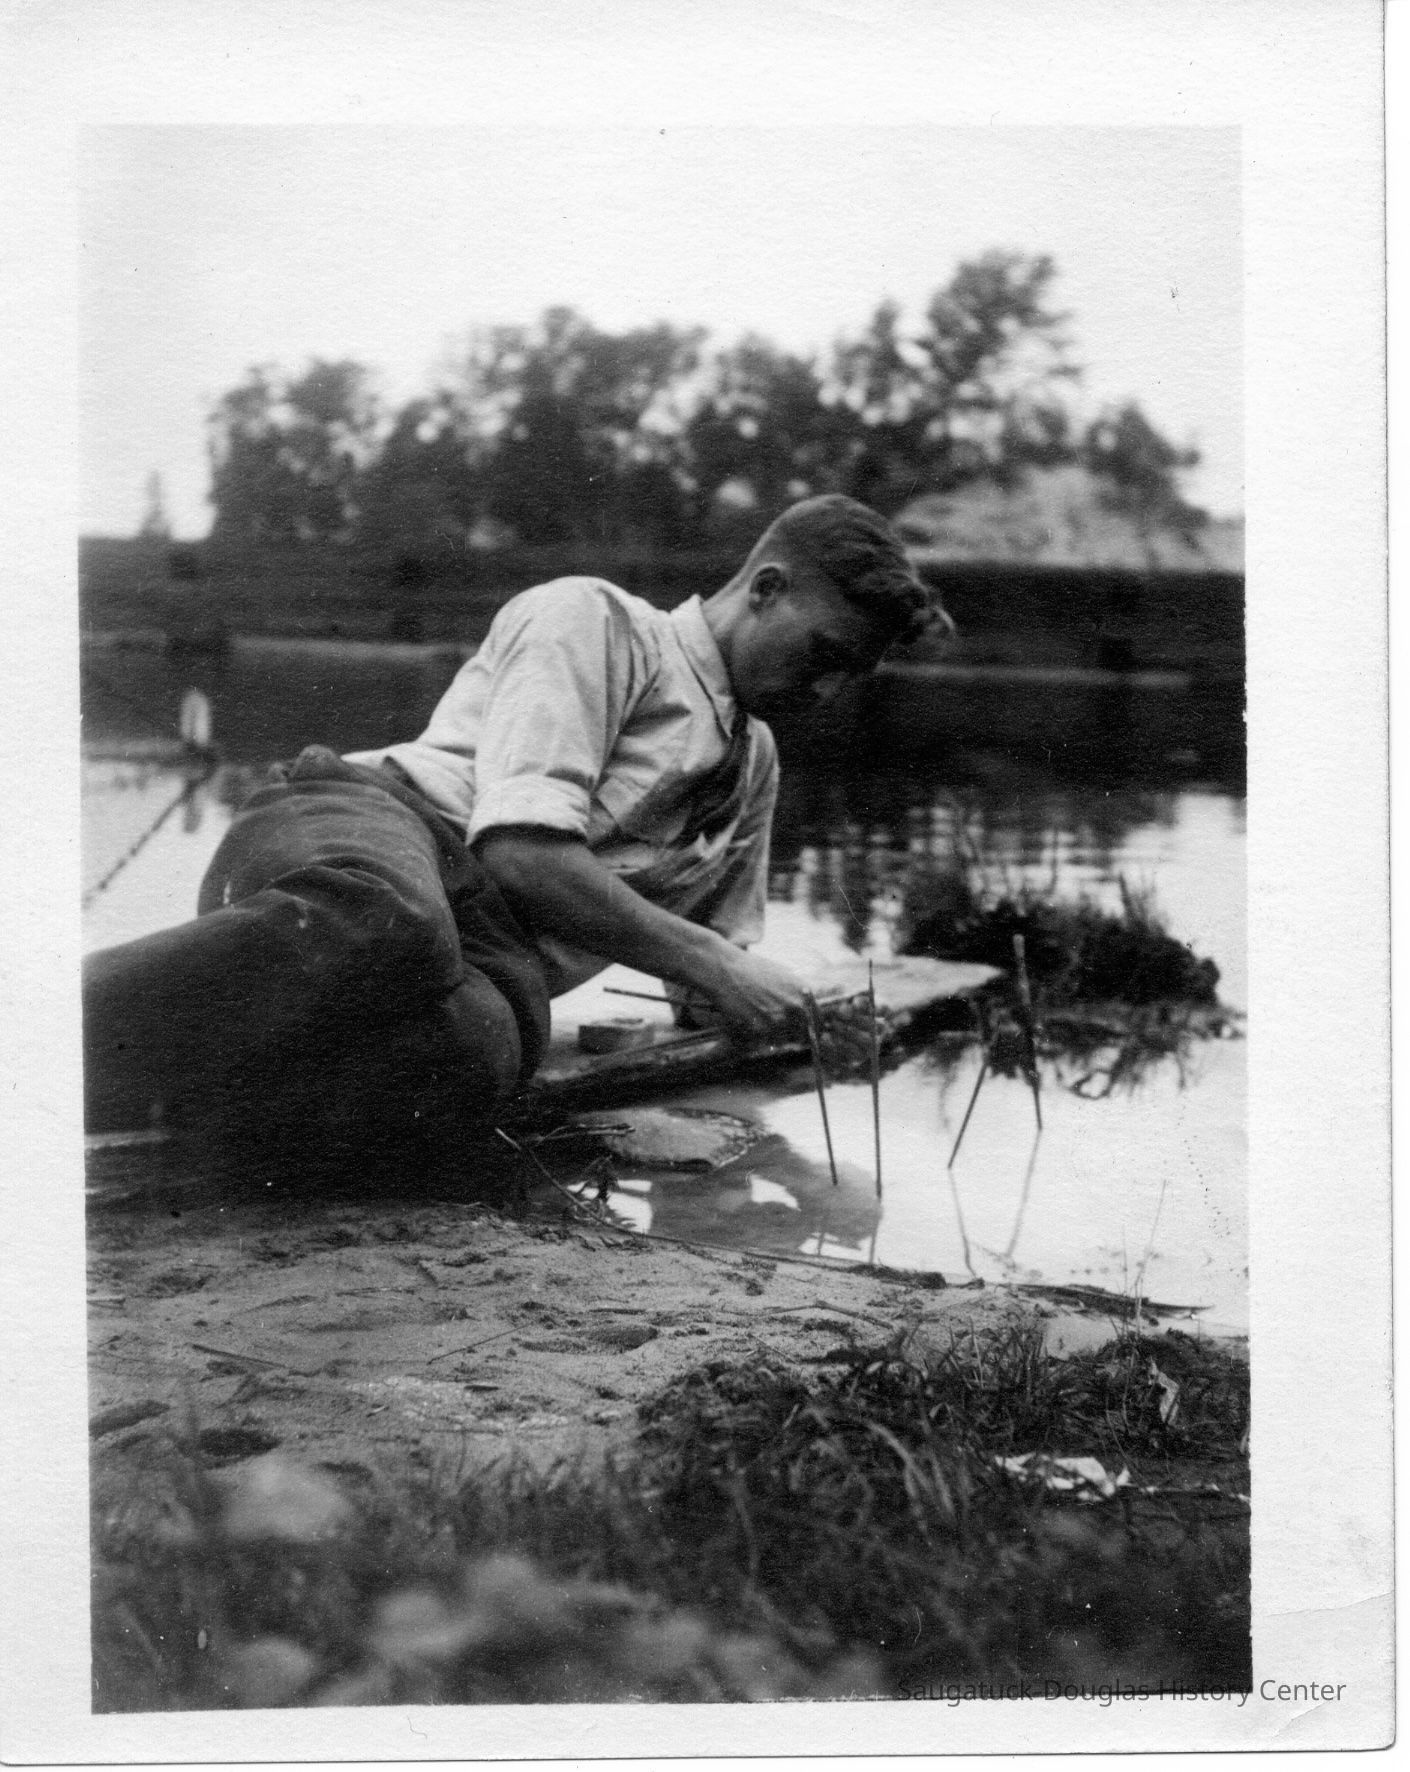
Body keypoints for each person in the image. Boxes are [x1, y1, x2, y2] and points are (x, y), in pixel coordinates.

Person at [82, 495, 943, 1174]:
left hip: (490, 957)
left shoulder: (755, 764)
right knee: (391, 921)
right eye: (824, 654)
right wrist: (717, 964)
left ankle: (147, 1098)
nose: (826, 692)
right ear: (766, 588)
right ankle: (47, 1039)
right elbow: (523, 854)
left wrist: (802, 1020)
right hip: (378, 827)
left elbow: (708, 980)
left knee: (477, 1057)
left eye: (851, 676)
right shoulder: (599, 620)